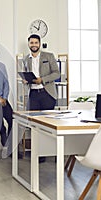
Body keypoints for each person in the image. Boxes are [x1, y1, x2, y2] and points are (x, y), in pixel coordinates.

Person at [23, 34, 60, 162]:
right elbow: (27, 74)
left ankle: (52, 152)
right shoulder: (25, 59)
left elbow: (56, 73)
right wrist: (25, 80)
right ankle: (39, 154)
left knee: (47, 124)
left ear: (39, 44)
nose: (33, 45)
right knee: (35, 125)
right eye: (31, 43)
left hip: (47, 93)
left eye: (36, 42)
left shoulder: (48, 56)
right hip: (33, 94)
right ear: (29, 44)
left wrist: (42, 80)